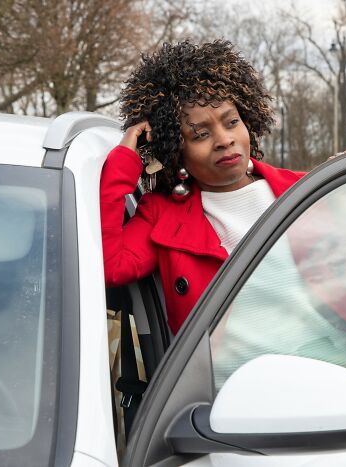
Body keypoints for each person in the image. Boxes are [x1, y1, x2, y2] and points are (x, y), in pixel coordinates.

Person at [100, 40, 307, 335]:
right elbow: (111, 266)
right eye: (200, 135)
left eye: (231, 122)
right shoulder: (161, 215)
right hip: (228, 379)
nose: (224, 139)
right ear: (175, 151)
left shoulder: (304, 189)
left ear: (248, 121)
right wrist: (123, 161)